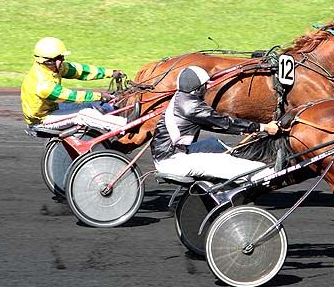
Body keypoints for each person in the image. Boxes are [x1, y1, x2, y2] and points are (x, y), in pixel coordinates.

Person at [151, 66, 279, 181]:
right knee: (226, 161)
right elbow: (224, 123)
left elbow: (214, 124)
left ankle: (243, 165)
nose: (206, 88)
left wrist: (245, 129)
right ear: (198, 88)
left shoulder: (181, 97)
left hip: (170, 152)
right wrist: (263, 127)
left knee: (213, 144)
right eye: (204, 85)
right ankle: (266, 173)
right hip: (172, 161)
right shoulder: (192, 107)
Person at [21, 37, 124, 127]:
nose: (63, 59)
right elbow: (71, 96)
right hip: (42, 120)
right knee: (85, 114)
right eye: (60, 58)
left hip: (52, 107)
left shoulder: (50, 68)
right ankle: (125, 125)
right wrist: (99, 96)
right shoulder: (43, 85)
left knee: (93, 103)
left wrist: (110, 73)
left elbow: (81, 71)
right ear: (49, 60)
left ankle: (117, 114)